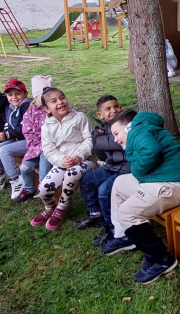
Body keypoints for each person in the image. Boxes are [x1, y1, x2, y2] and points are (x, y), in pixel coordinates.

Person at [102, 110, 180, 284]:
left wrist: (137, 170)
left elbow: (151, 151)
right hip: (157, 179)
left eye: (116, 133)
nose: (115, 139)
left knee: (127, 212)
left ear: (127, 127)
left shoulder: (136, 130)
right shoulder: (142, 129)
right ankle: (123, 236)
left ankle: (162, 259)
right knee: (119, 184)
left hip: (171, 185)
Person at [30, 87, 96, 230]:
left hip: (86, 161)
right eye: (54, 101)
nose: (60, 102)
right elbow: (48, 150)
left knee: (71, 175)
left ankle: (61, 208)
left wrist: (80, 155)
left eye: (62, 97)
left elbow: (90, 139)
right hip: (62, 164)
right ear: (47, 109)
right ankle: (50, 208)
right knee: (43, 190)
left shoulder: (79, 117)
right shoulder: (46, 127)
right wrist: (61, 161)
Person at [74, 95, 131, 246]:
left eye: (116, 106)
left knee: (104, 190)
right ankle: (95, 214)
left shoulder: (126, 124)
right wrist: (97, 138)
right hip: (111, 167)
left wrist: (97, 139)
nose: (114, 110)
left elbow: (115, 144)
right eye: (108, 109)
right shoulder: (103, 129)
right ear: (100, 115)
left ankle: (110, 228)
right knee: (86, 179)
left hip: (126, 169)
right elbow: (100, 153)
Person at [13, 75, 54, 204]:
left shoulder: (53, 110)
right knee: (24, 168)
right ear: (36, 96)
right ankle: (29, 188)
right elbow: (27, 132)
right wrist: (37, 146)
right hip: (34, 148)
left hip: (51, 148)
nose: (46, 99)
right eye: (43, 96)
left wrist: (45, 145)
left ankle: (44, 184)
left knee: (45, 152)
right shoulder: (29, 113)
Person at [0, 79, 32, 199]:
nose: (14, 97)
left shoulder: (28, 106)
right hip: (17, 138)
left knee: (5, 150)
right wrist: (4, 133)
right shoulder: (10, 108)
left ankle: (16, 179)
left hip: (31, 140)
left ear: (25, 93)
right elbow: (8, 124)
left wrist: (7, 135)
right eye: (10, 94)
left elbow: (26, 128)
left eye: (18, 94)